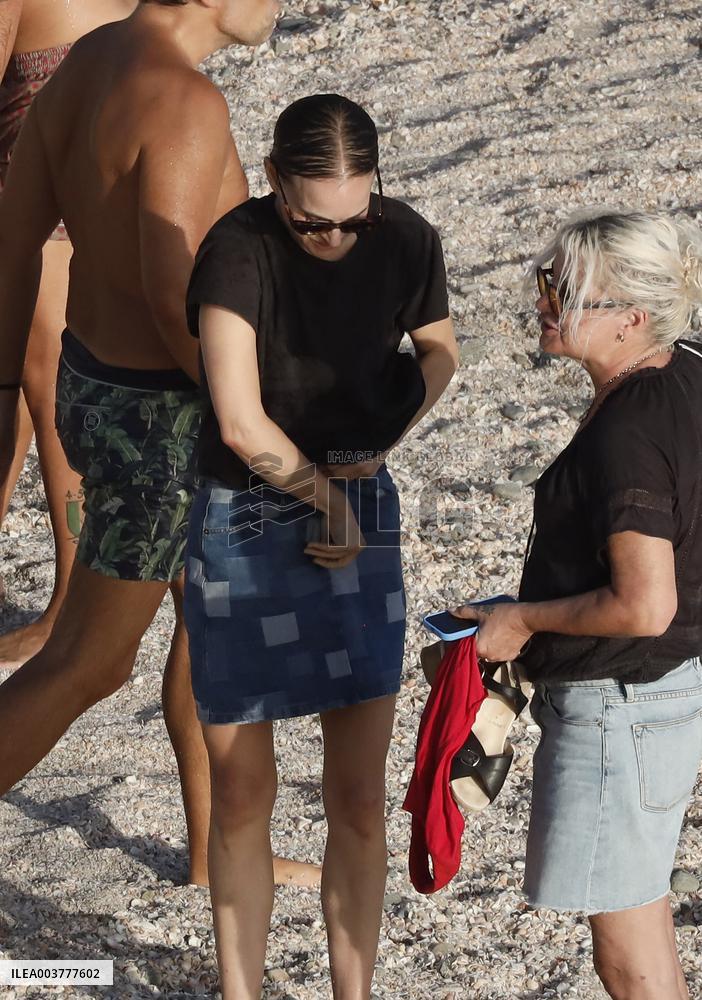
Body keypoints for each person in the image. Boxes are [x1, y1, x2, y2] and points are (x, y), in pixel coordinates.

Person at [0, 0, 318, 890]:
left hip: (99, 384)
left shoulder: (88, 59)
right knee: (89, 662)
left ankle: (218, 855)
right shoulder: (183, 100)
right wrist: (255, 425)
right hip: (165, 420)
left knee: (214, 620)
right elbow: (176, 294)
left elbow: (17, 232)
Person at [184, 92, 458, 999]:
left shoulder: (409, 238)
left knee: (358, 798)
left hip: (357, 500)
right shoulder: (238, 248)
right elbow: (237, 418)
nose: (336, 239)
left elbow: (440, 351)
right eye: (312, 223)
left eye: (355, 218)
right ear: (272, 184)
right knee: (243, 795)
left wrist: (384, 441)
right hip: (247, 512)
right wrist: (325, 500)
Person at [454, 210, 702, 1000]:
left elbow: (642, 604)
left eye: (564, 290)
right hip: (667, 697)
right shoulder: (687, 370)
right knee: (640, 907)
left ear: (632, 317)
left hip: (619, 707)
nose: (542, 302)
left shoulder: (625, 434)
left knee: (624, 958)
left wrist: (522, 620)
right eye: (545, 282)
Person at [0, 0, 138, 669]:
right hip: (97, 119)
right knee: (36, 369)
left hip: (37, 140)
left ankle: (67, 611)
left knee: (41, 370)